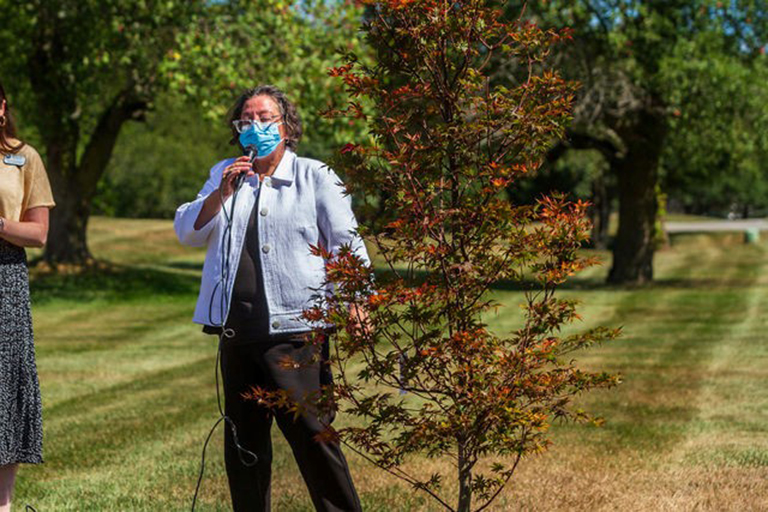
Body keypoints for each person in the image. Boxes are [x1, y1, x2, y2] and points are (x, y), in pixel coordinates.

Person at [174, 85, 368, 512]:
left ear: (287, 127)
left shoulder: (315, 176)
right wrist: (220, 193)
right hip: (236, 331)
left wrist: (356, 300)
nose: (255, 126)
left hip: (295, 332)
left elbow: (345, 244)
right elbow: (187, 230)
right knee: (244, 448)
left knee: (313, 439)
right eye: (246, 120)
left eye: (265, 118)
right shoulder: (225, 173)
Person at [0, 82, 55, 511]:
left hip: (5, 278)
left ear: (2, 107)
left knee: (6, 387)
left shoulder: (23, 158)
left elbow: (37, 233)